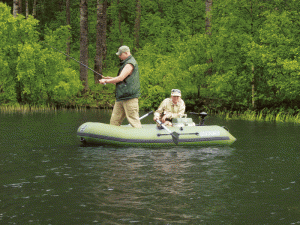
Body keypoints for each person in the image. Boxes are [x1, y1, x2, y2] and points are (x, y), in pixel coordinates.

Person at [99, 46, 142, 128]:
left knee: (133, 120)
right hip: (121, 97)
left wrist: (105, 81)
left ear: (126, 53)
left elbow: (120, 78)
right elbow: (123, 80)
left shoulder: (130, 63)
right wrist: (111, 79)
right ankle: (112, 137)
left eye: (120, 54)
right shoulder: (125, 63)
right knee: (114, 121)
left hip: (130, 97)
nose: (119, 56)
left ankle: (140, 138)